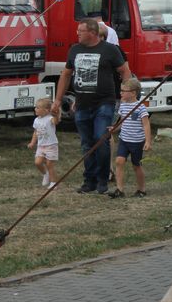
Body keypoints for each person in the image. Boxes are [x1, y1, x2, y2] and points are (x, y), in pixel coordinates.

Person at [51, 18, 131, 194]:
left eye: (81, 31)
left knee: (100, 139)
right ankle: (90, 180)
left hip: (104, 103)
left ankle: (103, 179)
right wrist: (57, 100)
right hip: (82, 104)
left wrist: (127, 94)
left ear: (93, 33)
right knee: (87, 143)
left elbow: (125, 71)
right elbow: (66, 74)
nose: (77, 33)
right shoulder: (75, 50)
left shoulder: (110, 50)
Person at [108, 78, 151, 199]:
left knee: (136, 165)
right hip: (124, 140)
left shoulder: (140, 107)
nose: (120, 93)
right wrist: (114, 129)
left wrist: (147, 141)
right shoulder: (123, 106)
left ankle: (141, 189)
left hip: (137, 141)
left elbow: (146, 124)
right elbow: (122, 121)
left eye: (123, 90)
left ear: (133, 93)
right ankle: (119, 190)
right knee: (119, 161)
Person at [27, 98, 60, 188]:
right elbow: (36, 132)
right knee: (38, 162)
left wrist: (56, 114)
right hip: (41, 146)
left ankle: (53, 183)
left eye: (38, 108)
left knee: (49, 164)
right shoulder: (36, 120)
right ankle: (45, 174)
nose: (35, 109)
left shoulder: (50, 119)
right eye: (35, 107)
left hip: (51, 145)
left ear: (46, 110)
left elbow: (56, 121)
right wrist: (32, 142)